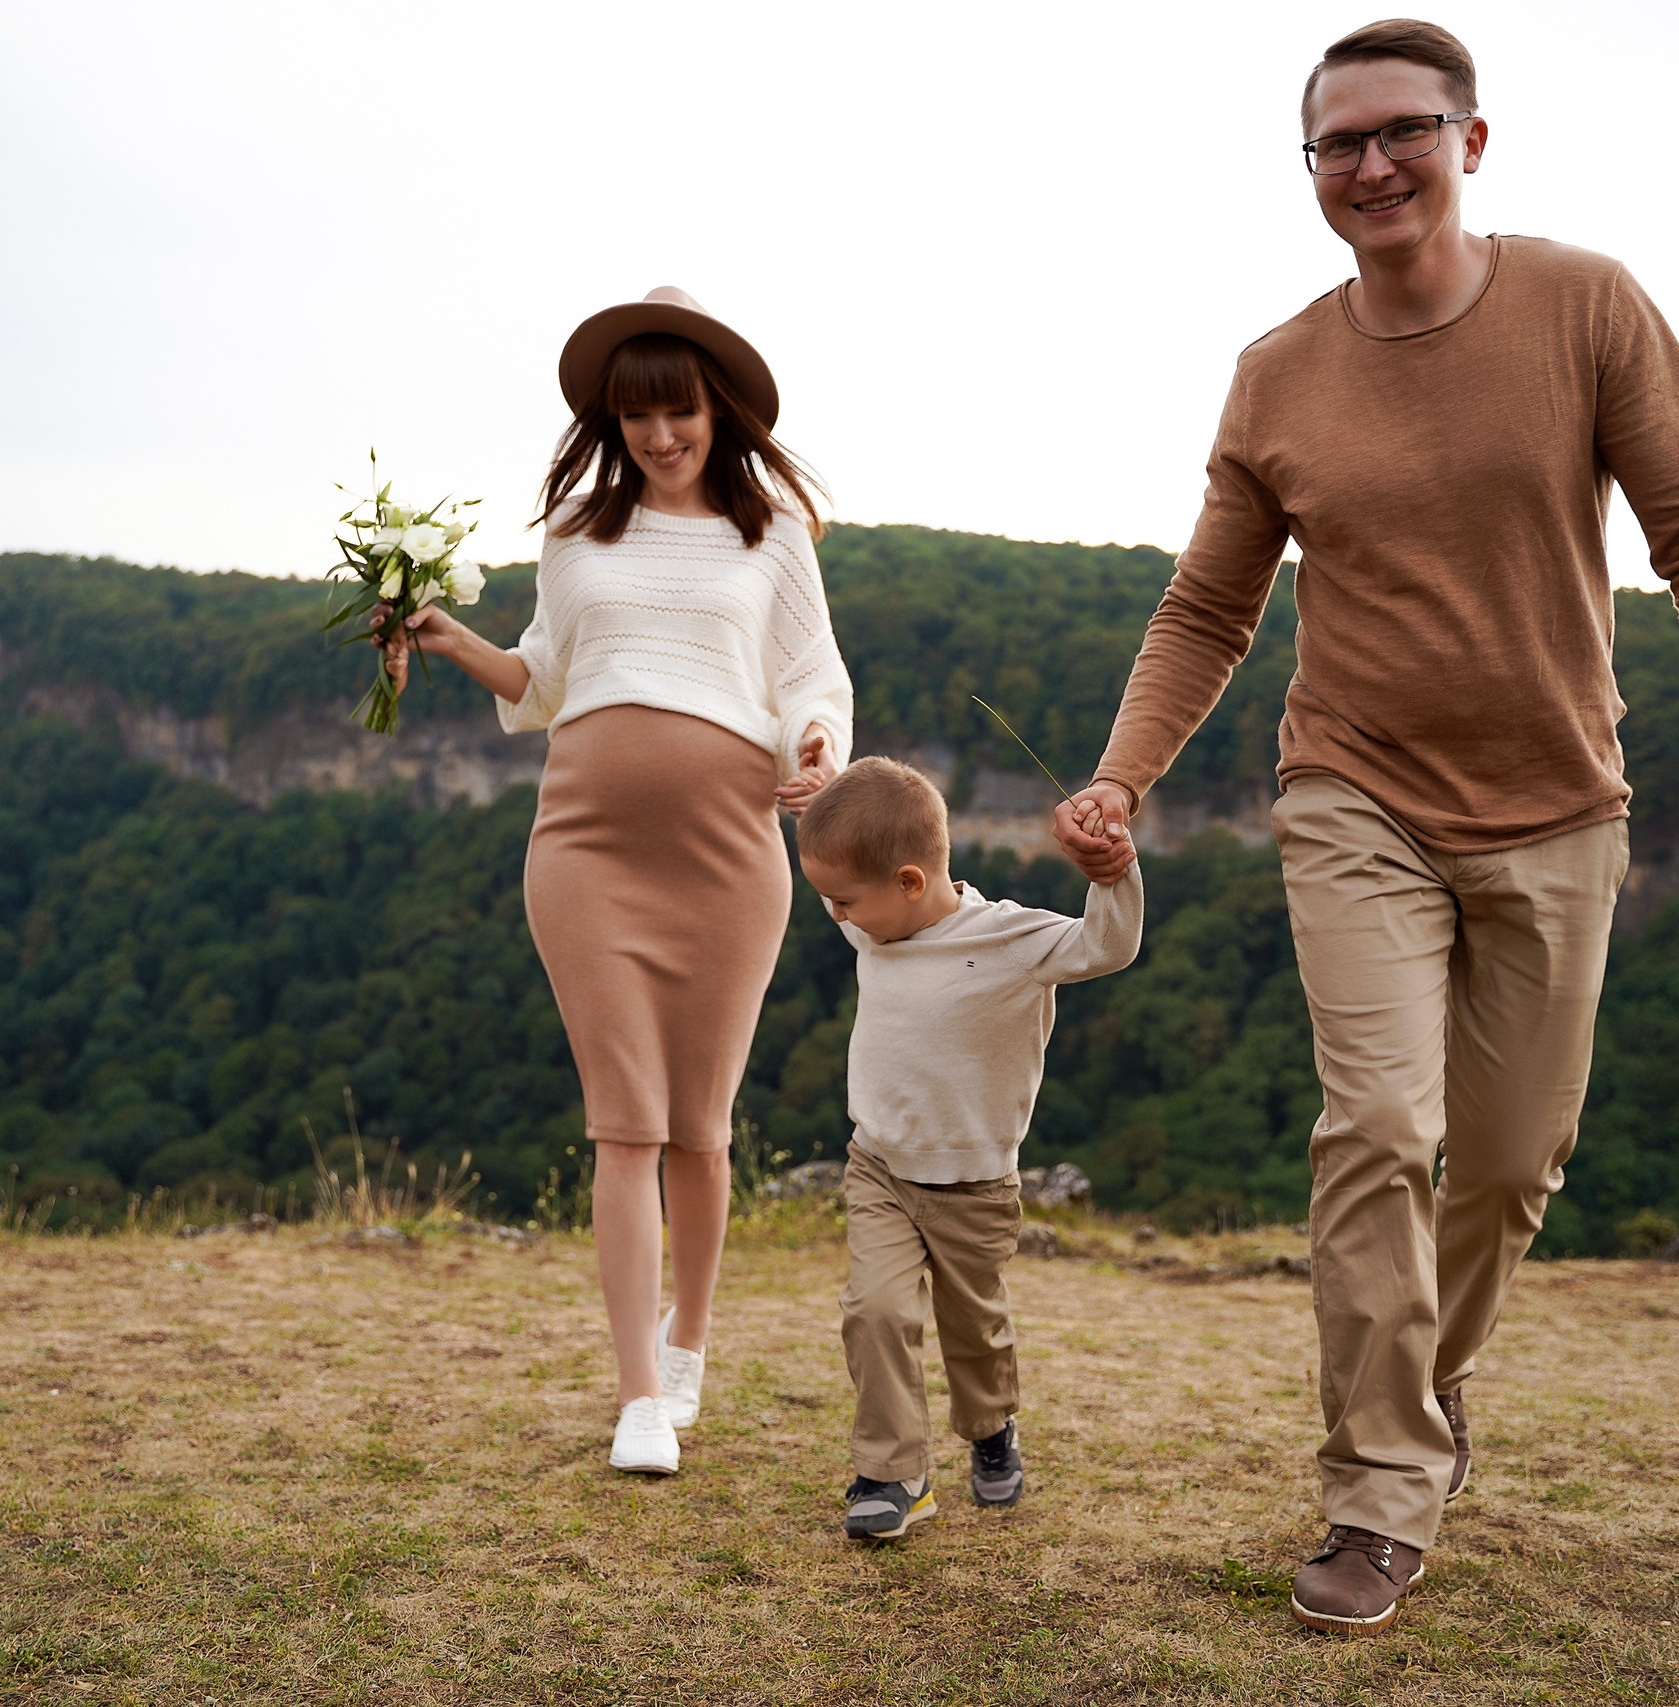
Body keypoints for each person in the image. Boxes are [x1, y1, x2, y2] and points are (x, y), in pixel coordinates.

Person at [1051, 20, 1679, 1635]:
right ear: (1309, 171)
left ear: (1475, 142)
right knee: (1381, 1127)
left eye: (1403, 133)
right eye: (1338, 145)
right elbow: (1208, 606)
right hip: (1353, 787)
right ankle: (1378, 1485)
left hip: (1557, 799)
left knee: (1513, 1160)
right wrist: (1127, 769)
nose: (1372, 166)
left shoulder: (1586, 306)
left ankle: (1431, 1386)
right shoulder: (1276, 371)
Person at [379, 286, 852, 1477]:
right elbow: (541, 680)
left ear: (715, 410)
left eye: (677, 410)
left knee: (700, 1127)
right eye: (634, 415)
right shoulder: (578, 530)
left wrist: (814, 751)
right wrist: (446, 638)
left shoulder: (771, 532)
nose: (657, 435)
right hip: (584, 846)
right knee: (625, 1125)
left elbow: (812, 676)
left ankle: (687, 1341)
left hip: (729, 854)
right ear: (610, 419)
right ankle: (638, 1398)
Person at [796, 758, 1143, 1540]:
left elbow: (1106, 945)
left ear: (910, 882)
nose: (835, 914)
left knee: (973, 1330)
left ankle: (991, 1427)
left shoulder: (1011, 938)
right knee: (875, 1311)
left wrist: (1113, 871)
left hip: (974, 1185)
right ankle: (893, 1473)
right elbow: (844, 858)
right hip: (879, 1164)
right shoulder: (872, 917)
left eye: (844, 898)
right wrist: (807, 792)